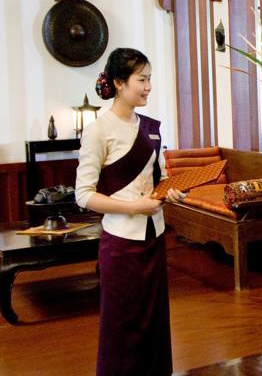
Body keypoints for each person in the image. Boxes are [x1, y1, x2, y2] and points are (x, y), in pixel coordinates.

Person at [75, 48, 185, 376]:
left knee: (154, 322)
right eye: (142, 80)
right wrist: (134, 206)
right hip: (121, 244)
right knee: (122, 326)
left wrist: (171, 192)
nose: (148, 87)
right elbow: (84, 195)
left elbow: (158, 181)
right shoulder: (99, 129)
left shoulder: (150, 127)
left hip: (154, 238)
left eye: (150, 79)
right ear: (119, 83)